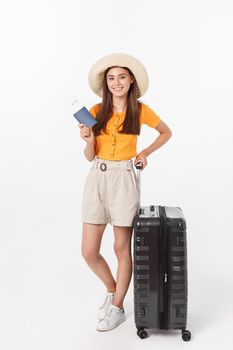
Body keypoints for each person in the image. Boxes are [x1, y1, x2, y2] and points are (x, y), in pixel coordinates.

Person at [78, 53, 172, 332]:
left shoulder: (141, 111)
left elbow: (166, 132)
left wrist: (144, 152)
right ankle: (112, 289)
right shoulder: (95, 111)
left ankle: (118, 307)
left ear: (131, 80)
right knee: (88, 251)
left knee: (121, 247)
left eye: (121, 77)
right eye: (111, 78)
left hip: (125, 178)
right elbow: (88, 156)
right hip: (97, 175)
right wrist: (89, 139)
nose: (116, 82)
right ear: (105, 83)